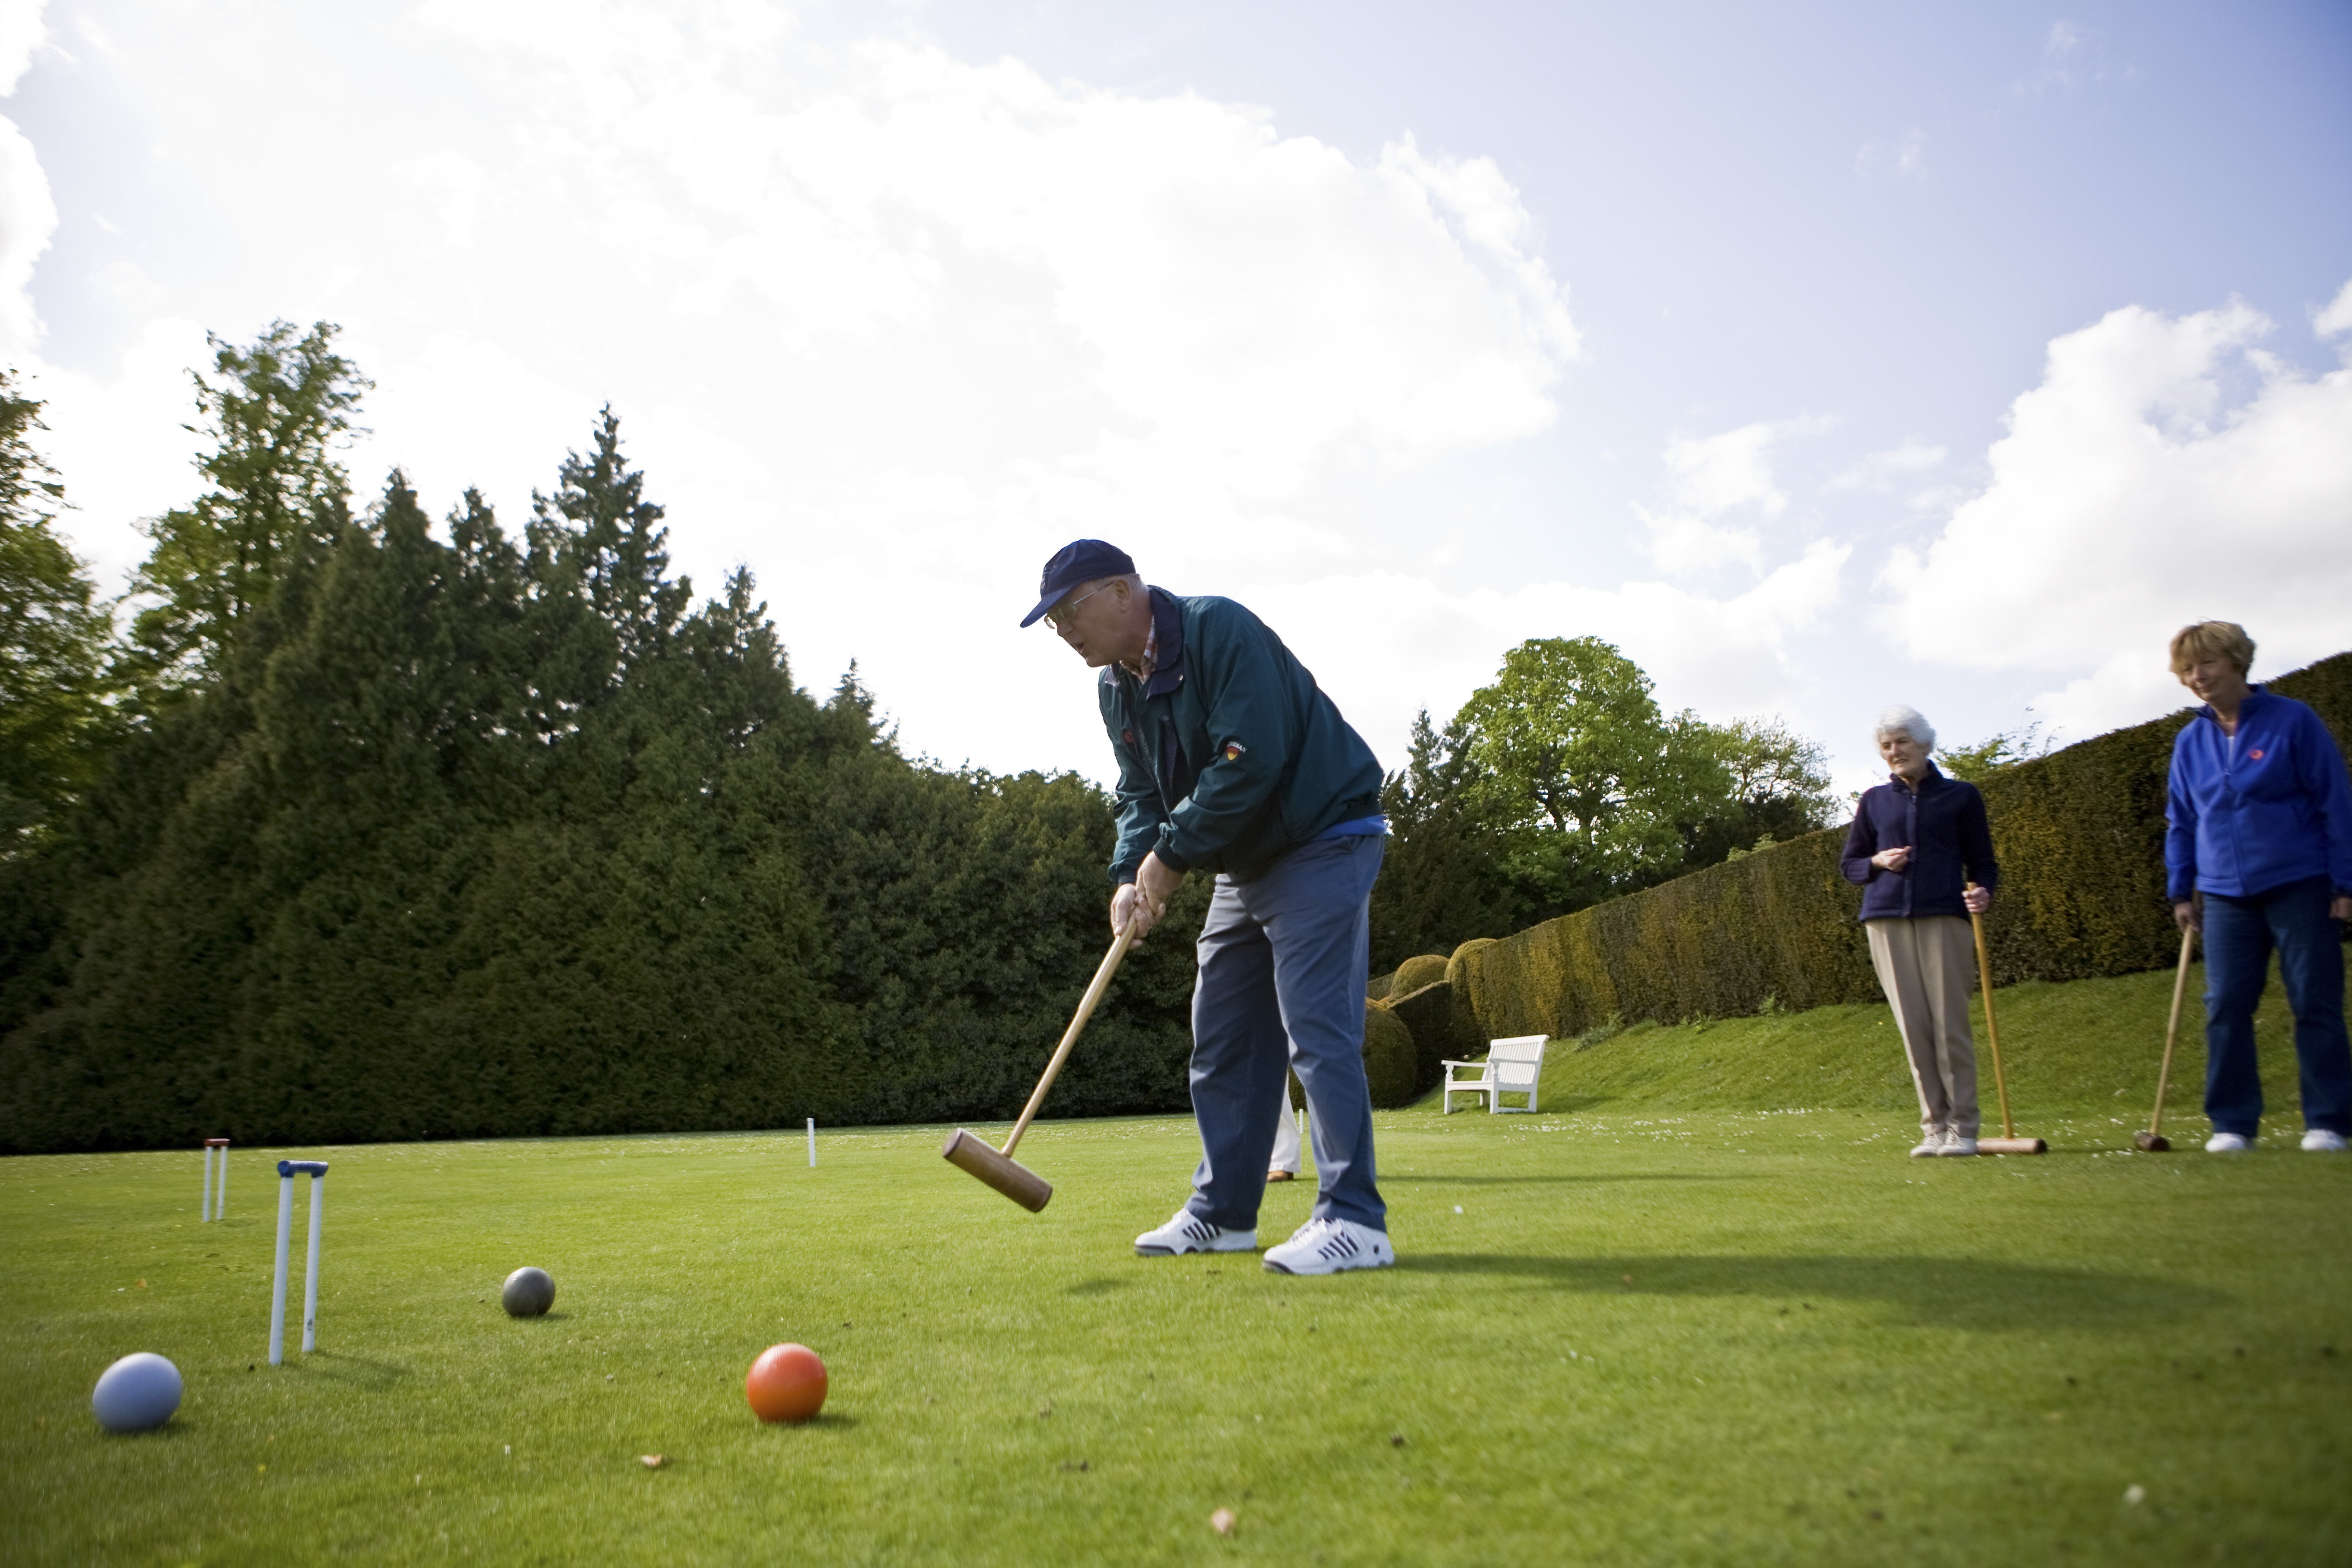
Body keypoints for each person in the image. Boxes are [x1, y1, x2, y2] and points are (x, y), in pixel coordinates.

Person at [1021, 540, 1393, 1274]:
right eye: (1052, 620)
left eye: (1071, 610)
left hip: (1320, 836)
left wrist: (1168, 859)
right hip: (1242, 862)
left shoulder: (1218, 628)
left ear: (1124, 591)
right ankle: (1223, 1214)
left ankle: (1355, 1222)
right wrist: (1130, 873)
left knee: (1315, 1031)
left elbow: (1247, 756)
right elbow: (1138, 793)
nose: (1062, 629)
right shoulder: (1116, 688)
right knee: (1222, 1039)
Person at [2163, 621, 2352, 1154]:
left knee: (2313, 1001)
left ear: (2237, 662)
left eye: (2207, 664)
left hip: (2299, 882)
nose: (2197, 677)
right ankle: (2231, 1124)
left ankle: (2328, 1121)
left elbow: (2333, 802)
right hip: (2223, 894)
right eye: (2187, 669)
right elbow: (2180, 821)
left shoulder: (2292, 720)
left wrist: (2344, 882)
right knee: (2224, 1004)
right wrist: (2181, 891)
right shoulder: (2190, 740)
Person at [1841, 705, 1998, 1158]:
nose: (1894, 752)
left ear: (1924, 745)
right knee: (1913, 1028)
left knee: (1949, 1024)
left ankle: (1964, 1129)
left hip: (1942, 918)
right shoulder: (1873, 801)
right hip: (1884, 920)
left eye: (1902, 742)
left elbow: (1983, 862)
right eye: (1886, 746)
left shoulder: (1961, 797)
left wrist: (1983, 892)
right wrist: (1877, 861)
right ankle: (1934, 1127)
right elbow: (1850, 865)